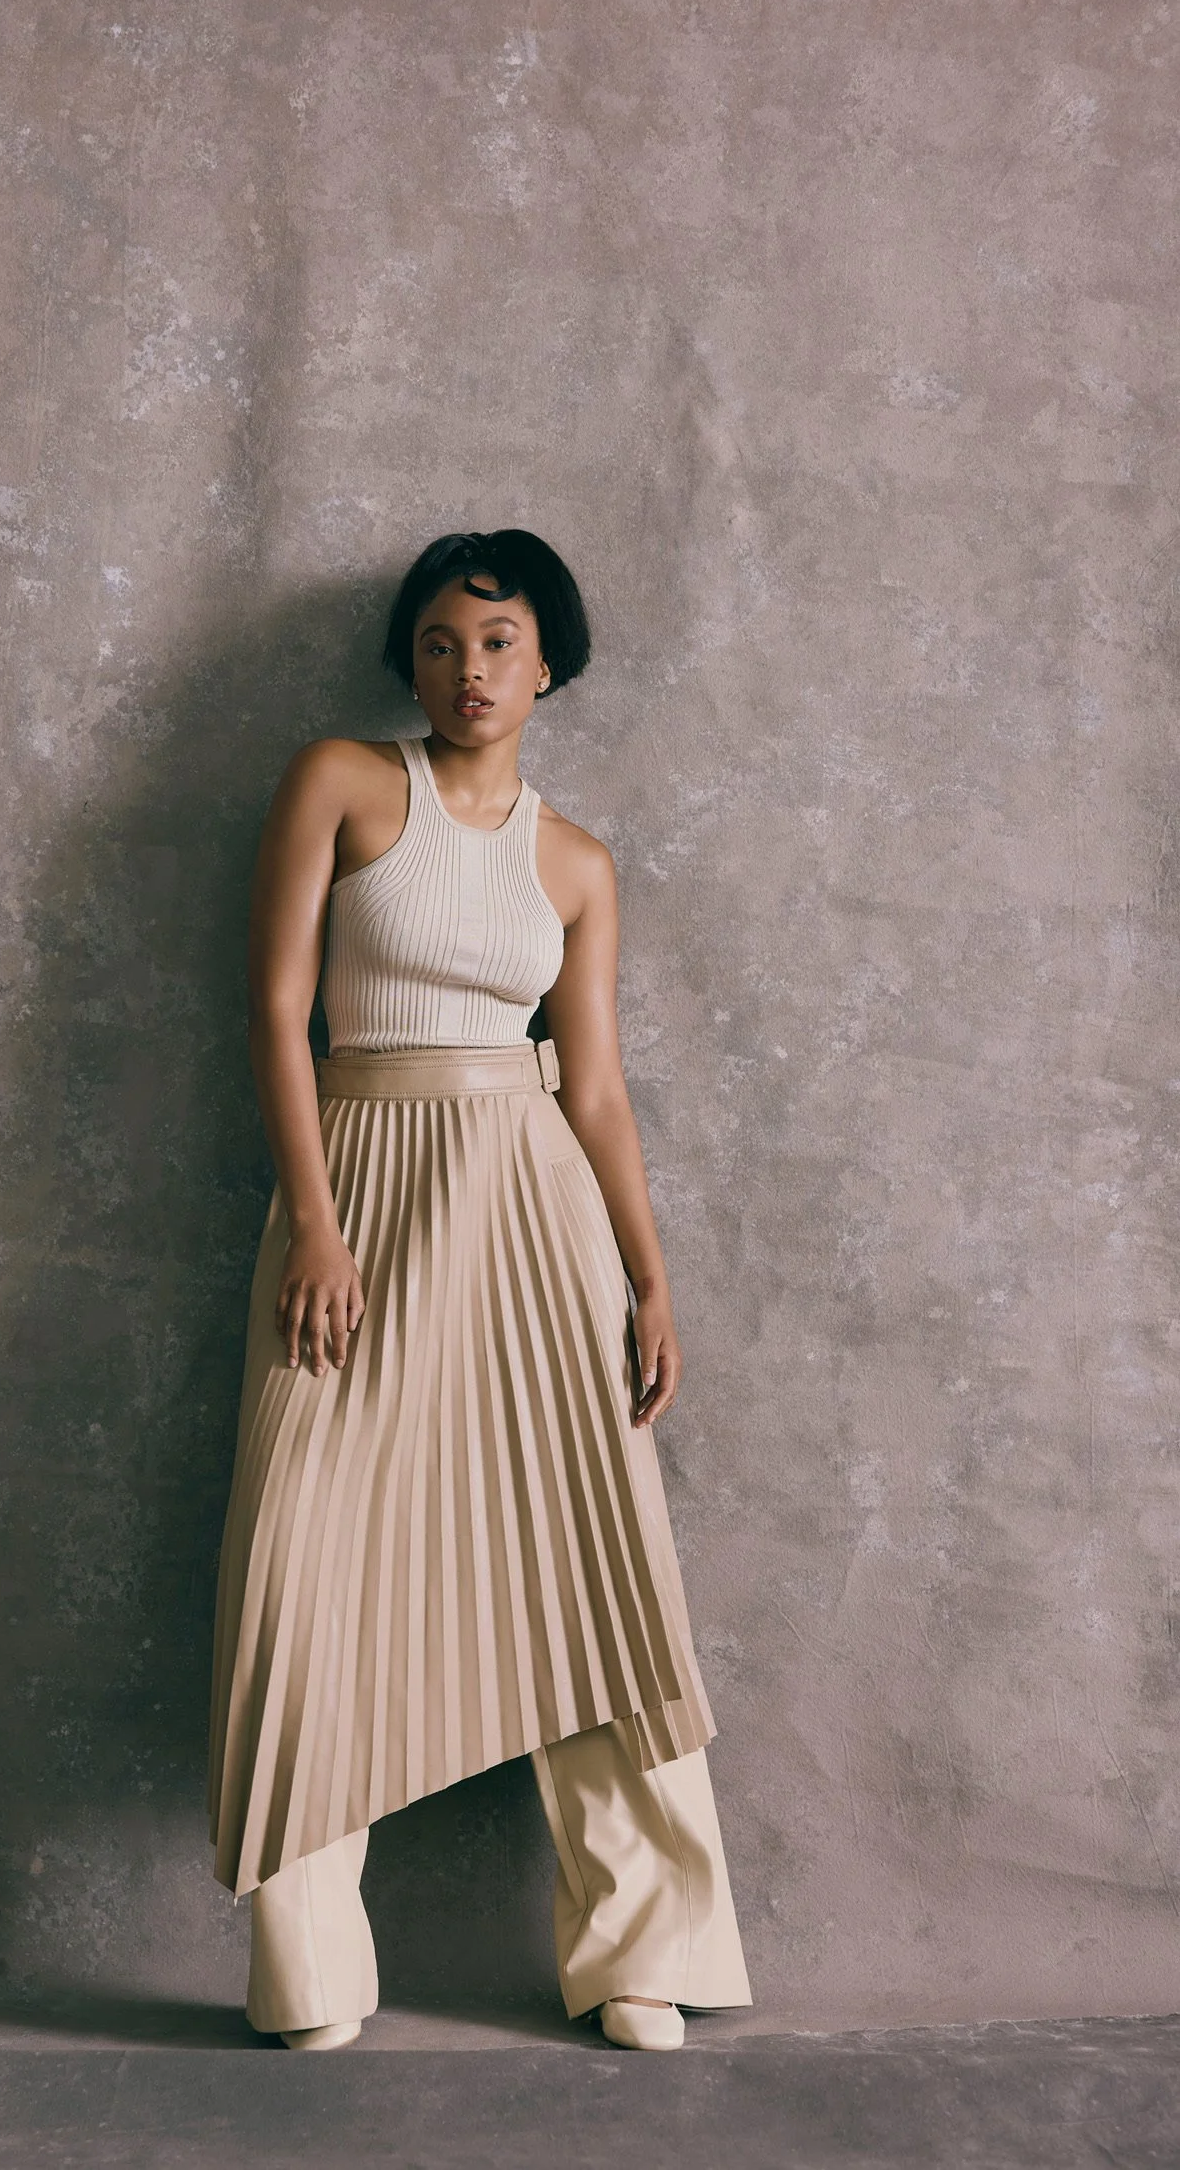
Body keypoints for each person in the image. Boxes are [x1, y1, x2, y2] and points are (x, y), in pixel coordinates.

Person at [207, 530, 752, 2051]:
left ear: (548, 662)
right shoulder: (339, 780)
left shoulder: (576, 862)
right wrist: (315, 1227)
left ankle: (640, 1953)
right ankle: (310, 1971)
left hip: (531, 1211)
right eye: (442, 643)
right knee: (302, 1566)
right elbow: (275, 1011)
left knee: (592, 1561)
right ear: (412, 659)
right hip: (362, 1189)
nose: (469, 671)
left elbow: (597, 1089)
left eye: (499, 643)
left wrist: (649, 1282)